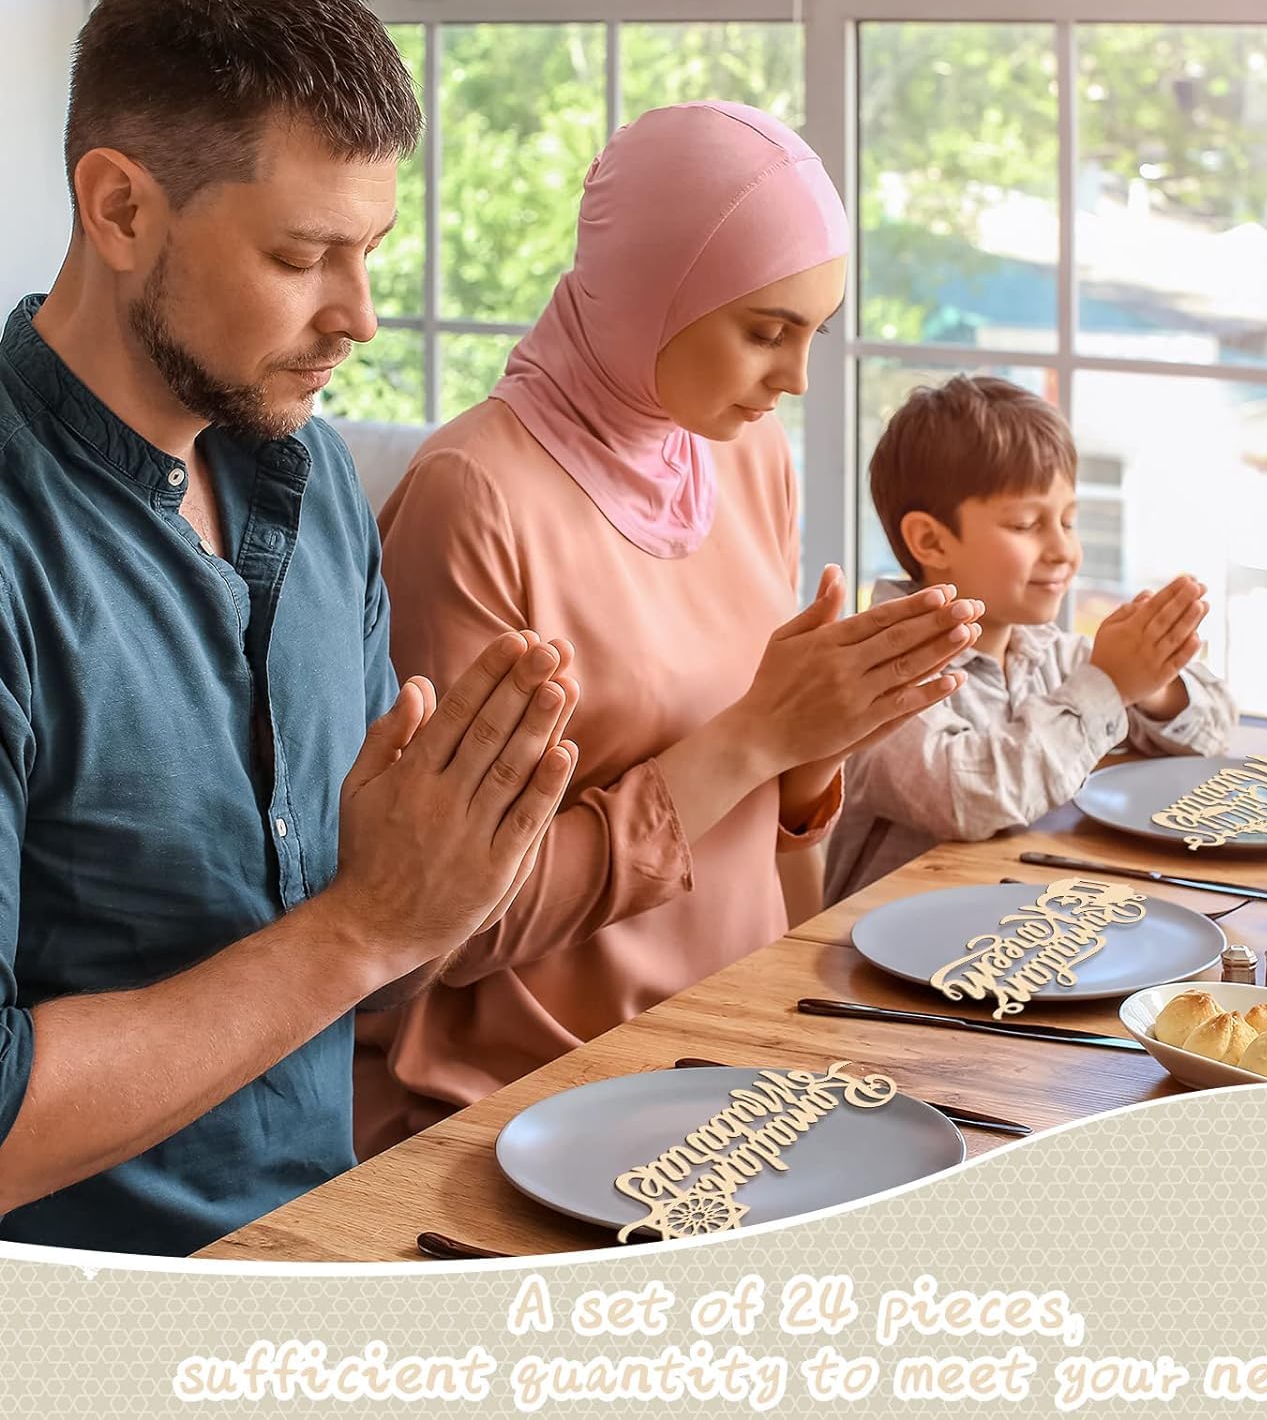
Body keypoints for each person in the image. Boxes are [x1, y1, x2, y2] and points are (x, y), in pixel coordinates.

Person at [0, 0, 579, 1257]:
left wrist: (448, 881)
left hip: (335, 1249)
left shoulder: (310, 479)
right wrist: (365, 924)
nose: (361, 316)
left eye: (369, 250)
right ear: (121, 208)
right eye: (302, 255)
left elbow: (380, 956)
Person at [356, 101, 984, 1155]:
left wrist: (812, 758)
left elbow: (767, 835)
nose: (795, 378)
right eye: (765, 331)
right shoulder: (473, 498)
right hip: (533, 1102)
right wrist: (755, 739)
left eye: (814, 332)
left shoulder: (746, 455)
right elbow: (451, 926)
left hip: (743, 1047)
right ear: (652, 287)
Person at [825, 374, 1238, 903]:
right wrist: (1110, 685)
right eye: (1025, 524)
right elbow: (966, 794)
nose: (1062, 549)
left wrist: (1152, 685)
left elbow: (1215, 731)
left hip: (1025, 939)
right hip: (882, 965)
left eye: (1068, 520)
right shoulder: (881, 673)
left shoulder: (1044, 650)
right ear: (930, 540)